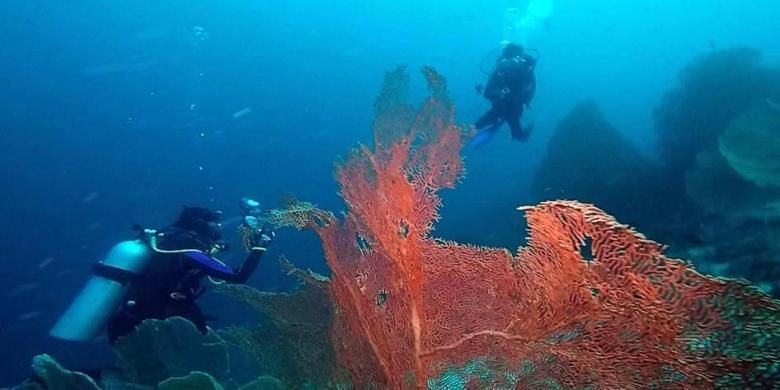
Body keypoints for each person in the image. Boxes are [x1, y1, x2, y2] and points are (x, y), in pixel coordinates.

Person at [49, 199, 273, 344]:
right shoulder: (188, 249)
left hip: (127, 319)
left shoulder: (162, 241)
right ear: (201, 227)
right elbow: (238, 276)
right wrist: (260, 246)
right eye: (215, 229)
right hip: (160, 321)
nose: (218, 235)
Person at [471, 43, 537, 147]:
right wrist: (525, 101)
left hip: (501, 107)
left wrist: (499, 93)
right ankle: (510, 129)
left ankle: (459, 138)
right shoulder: (526, 68)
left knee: (476, 126)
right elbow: (530, 90)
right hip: (513, 108)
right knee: (517, 133)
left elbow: (488, 93)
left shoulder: (502, 67)